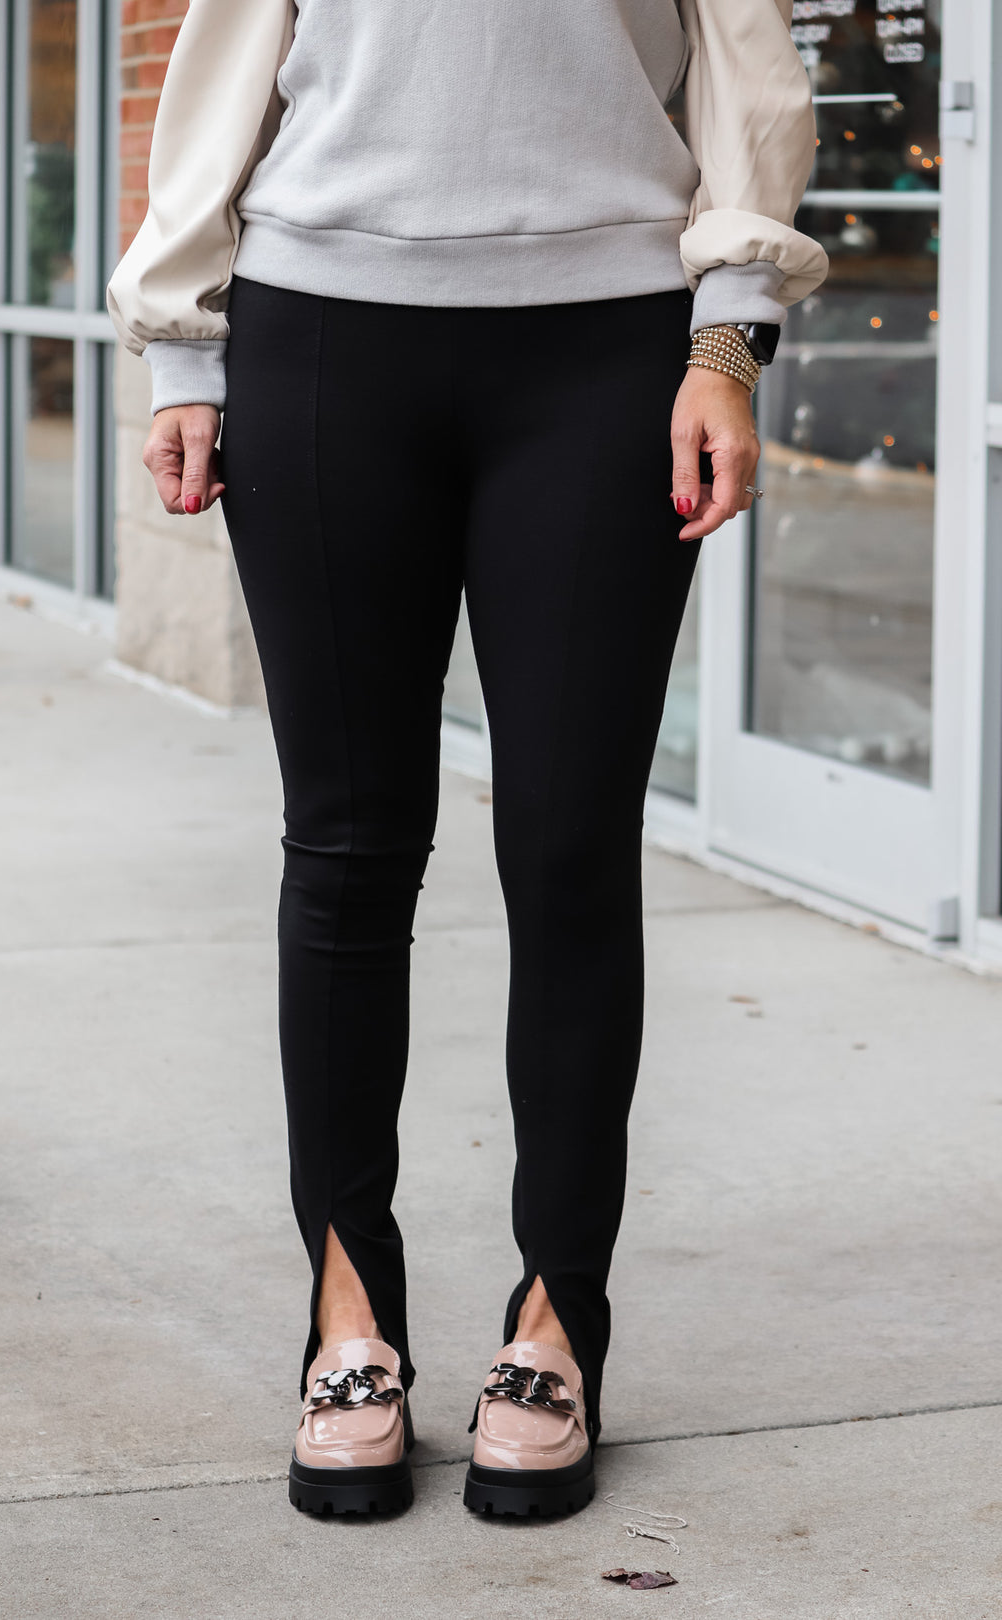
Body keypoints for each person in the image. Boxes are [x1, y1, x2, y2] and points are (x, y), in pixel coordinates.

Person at [107, 0, 827, 1521]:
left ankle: (559, 1315)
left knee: (569, 848)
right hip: (317, 334)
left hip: (609, 343)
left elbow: (749, 61)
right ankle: (347, 1317)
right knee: (351, 848)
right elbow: (226, 50)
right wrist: (183, 344)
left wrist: (729, 336)